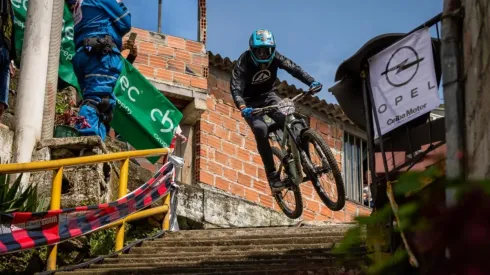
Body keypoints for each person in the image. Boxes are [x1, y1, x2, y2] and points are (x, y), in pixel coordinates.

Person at [230, 29, 322, 192]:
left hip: (269, 96)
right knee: (261, 129)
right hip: (250, 104)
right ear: (252, 50)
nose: (264, 54)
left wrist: (311, 82)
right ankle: (272, 176)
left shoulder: (276, 57)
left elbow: (294, 68)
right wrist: (242, 106)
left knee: (292, 120)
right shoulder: (244, 61)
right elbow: (236, 87)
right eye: (260, 50)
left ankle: (305, 159)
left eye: (267, 50)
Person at [65, 0, 131, 141]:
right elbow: (126, 22)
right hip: (101, 55)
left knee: (103, 107)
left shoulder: (77, 3)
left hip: (85, 53)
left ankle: (96, 142)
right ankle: (87, 143)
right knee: (98, 101)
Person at [0, 0, 16, 129]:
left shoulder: (9, 5)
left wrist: (11, 59)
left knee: (2, 97)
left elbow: (12, 32)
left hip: (5, 50)